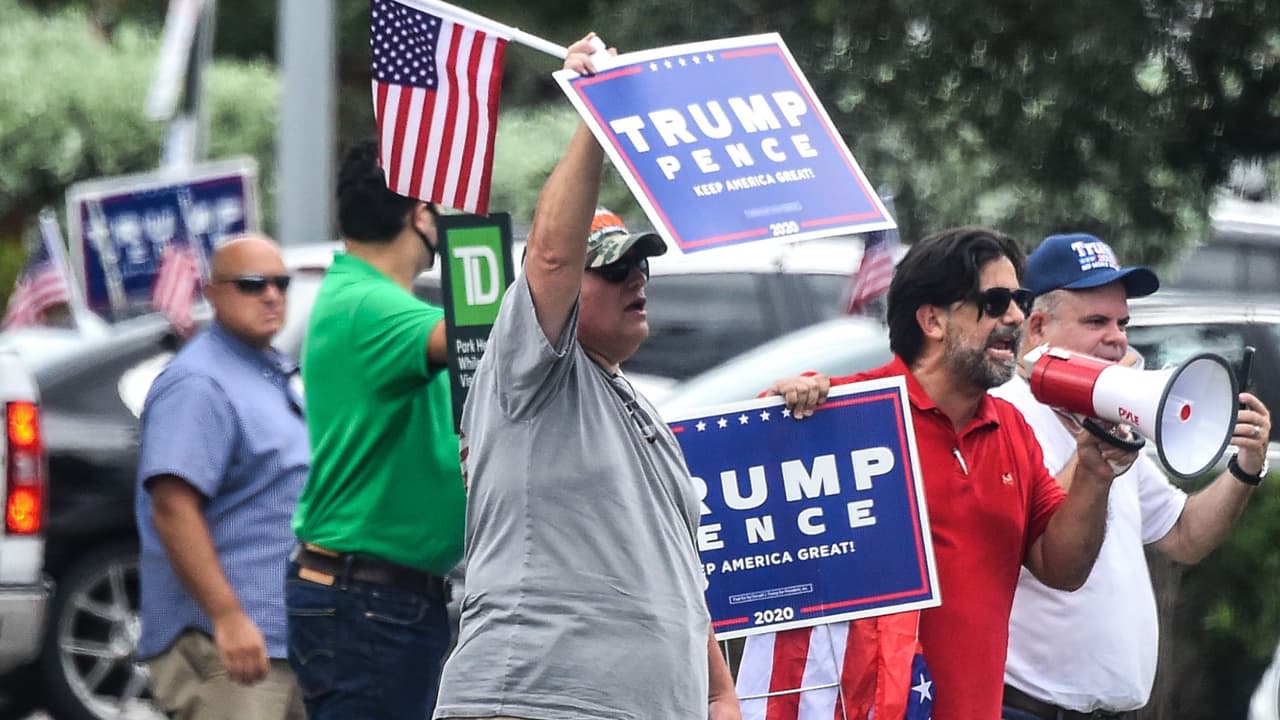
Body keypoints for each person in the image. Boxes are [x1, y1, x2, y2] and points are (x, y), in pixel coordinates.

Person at [433, 34, 741, 720]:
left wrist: (719, 695)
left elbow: (670, 571)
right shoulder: (531, 370)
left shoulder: (639, 406)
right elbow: (548, 257)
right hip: (534, 701)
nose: (638, 277)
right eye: (612, 268)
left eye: (644, 265)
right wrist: (594, 119)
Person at [768, 226, 1140, 720]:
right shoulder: (846, 414)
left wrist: (1094, 473)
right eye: (995, 302)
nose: (1015, 316)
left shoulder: (1012, 428)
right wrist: (786, 409)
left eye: (1019, 299)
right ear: (933, 321)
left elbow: (1062, 568)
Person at [995, 233, 1273, 720]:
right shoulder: (1003, 416)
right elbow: (1027, 539)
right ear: (1037, 327)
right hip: (1030, 708)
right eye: (1096, 321)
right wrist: (1095, 450)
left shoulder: (1103, 421)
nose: (1118, 338)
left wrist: (1245, 466)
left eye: (1123, 322)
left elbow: (1184, 536)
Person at [285, 139, 464, 719]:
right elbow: (490, 334)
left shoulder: (361, 296)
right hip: (370, 603)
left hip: (374, 599)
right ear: (420, 216)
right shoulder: (371, 305)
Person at [135, 233, 307, 719]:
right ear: (212, 293)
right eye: (252, 284)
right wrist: (227, 617)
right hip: (226, 644)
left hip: (283, 638)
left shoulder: (268, 371)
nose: (271, 295)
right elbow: (172, 507)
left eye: (280, 283)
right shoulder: (198, 382)